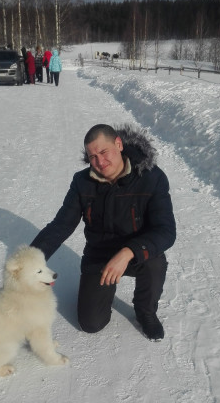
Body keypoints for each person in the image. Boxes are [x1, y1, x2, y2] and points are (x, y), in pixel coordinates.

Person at [30, 124, 176, 340]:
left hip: (136, 253)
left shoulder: (150, 177)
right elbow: (61, 225)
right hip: (100, 253)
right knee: (91, 324)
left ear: (118, 144)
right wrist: (30, 261)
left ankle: (146, 312)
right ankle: (100, 290)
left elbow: (166, 230)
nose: (99, 162)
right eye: (92, 156)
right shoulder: (82, 182)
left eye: (103, 152)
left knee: (155, 263)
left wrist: (128, 252)